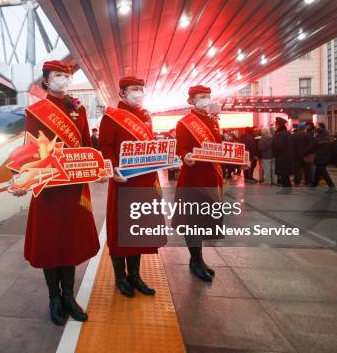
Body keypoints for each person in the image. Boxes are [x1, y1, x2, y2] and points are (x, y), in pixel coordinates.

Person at [9, 60, 100, 326]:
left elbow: (85, 145)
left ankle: (69, 297)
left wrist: (96, 167)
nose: (63, 79)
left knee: (69, 242)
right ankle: (54, 298)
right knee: (51, 243)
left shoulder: (78, 109)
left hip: (73, 188)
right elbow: (30, 150)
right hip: (48, 188)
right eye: (58, 75)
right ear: (46, 81)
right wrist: (21, 180)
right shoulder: (36, 111)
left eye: (66, 75)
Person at [98, 76, 165, 297]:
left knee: (137, 231)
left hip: (143, 181)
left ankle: (135, 276)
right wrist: (114, 169)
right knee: (120, 231)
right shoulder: (112, 116)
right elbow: (105, 146)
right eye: (134, 89)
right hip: (122, 181)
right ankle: (120, 277)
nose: (138, 93)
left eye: (141, 89)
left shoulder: (146, 116)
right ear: (122, 93)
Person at [173, 85, 238, 282]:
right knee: (193, 222)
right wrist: (186, 156)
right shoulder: (184, 123)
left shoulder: (213, 121)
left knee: (204, 221)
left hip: (211, 176)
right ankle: (195, 261)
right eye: (201, 97)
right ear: (191, 101)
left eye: (208, 96)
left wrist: (238, 159)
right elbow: (181, 148)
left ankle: (198, 261)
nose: (206, 100)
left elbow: (218, 148)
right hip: (193, 177)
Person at [311, 124, 337, 193]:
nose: (314, 133)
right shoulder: (327, 139)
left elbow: (311, 148)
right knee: (318, 171)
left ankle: (332, 187)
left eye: (315, 132)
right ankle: (313, 185)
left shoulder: (317, 140)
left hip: (320, 158)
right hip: (326, 158)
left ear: (318, 133)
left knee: (324, 173)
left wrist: (304, 154)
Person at [274, 117, 294, 194]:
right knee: (285, 174)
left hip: (282, 157)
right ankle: (287, 189)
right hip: (287, 156)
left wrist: (274, 151)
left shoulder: (280, 134)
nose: (275, 126)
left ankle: (286, 190)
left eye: (275, 124)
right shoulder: (287, 133)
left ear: (279, 125)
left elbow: (278, 146)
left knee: (284, 174)